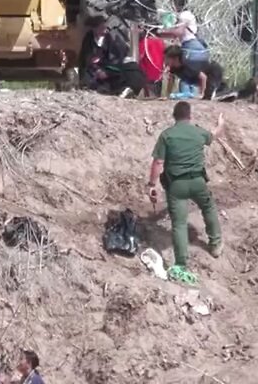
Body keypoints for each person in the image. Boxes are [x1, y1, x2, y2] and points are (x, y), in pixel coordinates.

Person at [148, 102, 224, 285]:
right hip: (198, 182)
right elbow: (214, 135)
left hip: (176, 186)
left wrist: (152, 185)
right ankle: (215, 245)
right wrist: (221, 124)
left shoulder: (167, 135)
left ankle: (181, 264)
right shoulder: (198, 132)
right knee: (208, 207)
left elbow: (158, 162)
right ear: (190, 116)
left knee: (179, 223)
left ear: (174, 116)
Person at [78, 16, 137, 96]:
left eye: (104, 28)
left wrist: (106, 72)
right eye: (100, 28)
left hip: (110, 67)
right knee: (87, 75)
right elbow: (86, 57)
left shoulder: (112, 38)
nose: (104, 31)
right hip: (95, 69)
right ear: (94, 29)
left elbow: (116, 59)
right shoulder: (89, 38)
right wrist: (97, 70)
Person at [155, 0, 208, 64]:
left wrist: (161, 31)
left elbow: (178, 32)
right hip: (195, 47)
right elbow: (174, 34)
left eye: (172, 3)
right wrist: (159, 34)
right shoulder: (187, 14)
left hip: (191, 47)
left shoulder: (184, 15)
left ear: (175, 3)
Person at [162, 45, 227, 100]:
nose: (165, 61)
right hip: (205, 76)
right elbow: (171, 80)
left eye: (167, 58)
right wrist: (168, 95)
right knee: (208, 95)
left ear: (175, 59)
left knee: (208, 96)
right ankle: (222, 90)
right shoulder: (173, 68)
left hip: (213, 71)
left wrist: (202, 94)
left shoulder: (187, 65)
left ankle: (224, 92)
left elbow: (203, 77)